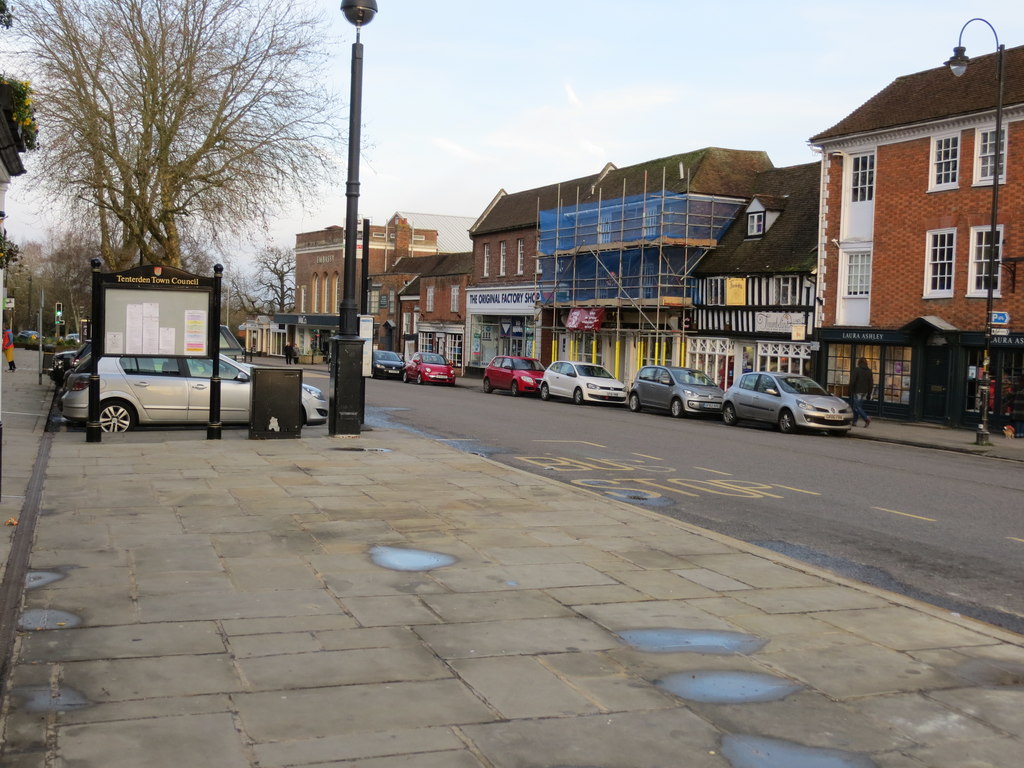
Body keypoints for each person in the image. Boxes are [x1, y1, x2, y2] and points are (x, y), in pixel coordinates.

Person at [849, 357, 873, 427]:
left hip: (857, 391)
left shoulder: (857, 370)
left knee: (857, 407)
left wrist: (850, 390)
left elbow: (852, 381)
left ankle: (866, 418)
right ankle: (854, 422)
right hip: (865, 392)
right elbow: (871, 383)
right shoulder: (869, 371)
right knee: (857, 407)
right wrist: (869, 393)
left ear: (859, 362)